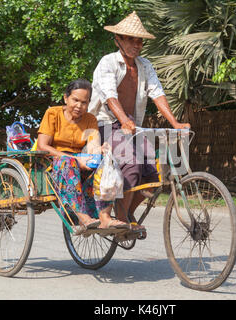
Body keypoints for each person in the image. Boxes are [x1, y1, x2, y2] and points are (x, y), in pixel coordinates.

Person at [88, 12, 190, 238]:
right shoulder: (108, 62)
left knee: (154, 174)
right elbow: (109, 96)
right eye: (131, 39)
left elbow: (157, 93)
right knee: (132, 165)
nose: (137, 44)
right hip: (105, 124)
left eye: (140, 40)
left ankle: (127, 214)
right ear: (118, 40)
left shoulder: (144, 65)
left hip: (132, 128)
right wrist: (123, 119)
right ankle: (121, 217)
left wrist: (175, 123)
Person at [37, 79, 130, 232]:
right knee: (68, 163)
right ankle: (81, 216)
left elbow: (93, 146)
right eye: (75, 100)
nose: (79, 106)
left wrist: (101, 150)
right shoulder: (53, 113)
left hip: (79, 160)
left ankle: (105, 217)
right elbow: (43, 145)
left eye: (84, 102)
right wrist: (74, 159)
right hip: (54, 164)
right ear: (66, 98)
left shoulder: (90, 119)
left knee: (107, 163)